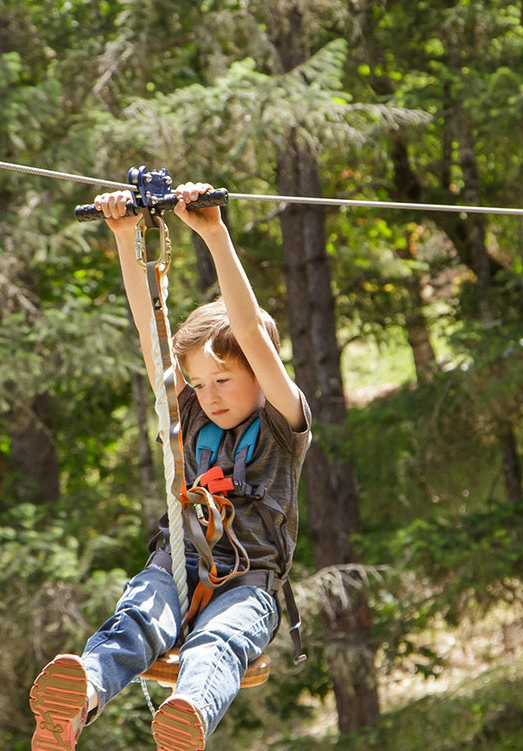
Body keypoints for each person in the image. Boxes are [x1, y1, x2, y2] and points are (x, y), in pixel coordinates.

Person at [29, 183, 312, 751]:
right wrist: (127, 237)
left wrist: (213, 233)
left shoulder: (284, 424)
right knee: (137, 618)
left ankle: (187, 715)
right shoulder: (188, 413)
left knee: (217, 645)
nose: (208, 395)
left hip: (247, 587)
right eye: (200, 383)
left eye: (224, 380)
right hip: (178, 567)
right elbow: (151, 336)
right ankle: (79, 697)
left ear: (261, 374)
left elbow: (251, 334)